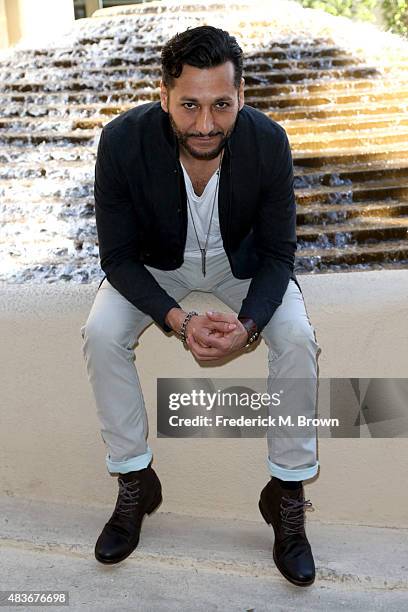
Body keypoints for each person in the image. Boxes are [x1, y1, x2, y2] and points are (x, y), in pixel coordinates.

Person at [80, 25, 321, 587]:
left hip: (243, 272)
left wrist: (251, 325)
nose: (205, 124)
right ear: (163, 95)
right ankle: (135, 480)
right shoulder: (121, 141)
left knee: (297, 338)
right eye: (188, 105)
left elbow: (280, 254)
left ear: (242, 96)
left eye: (221, 105)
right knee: (101, 333)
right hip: (156, 267)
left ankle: (286, 491)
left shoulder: (269, 142)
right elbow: (115, 257)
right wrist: (177, 320)